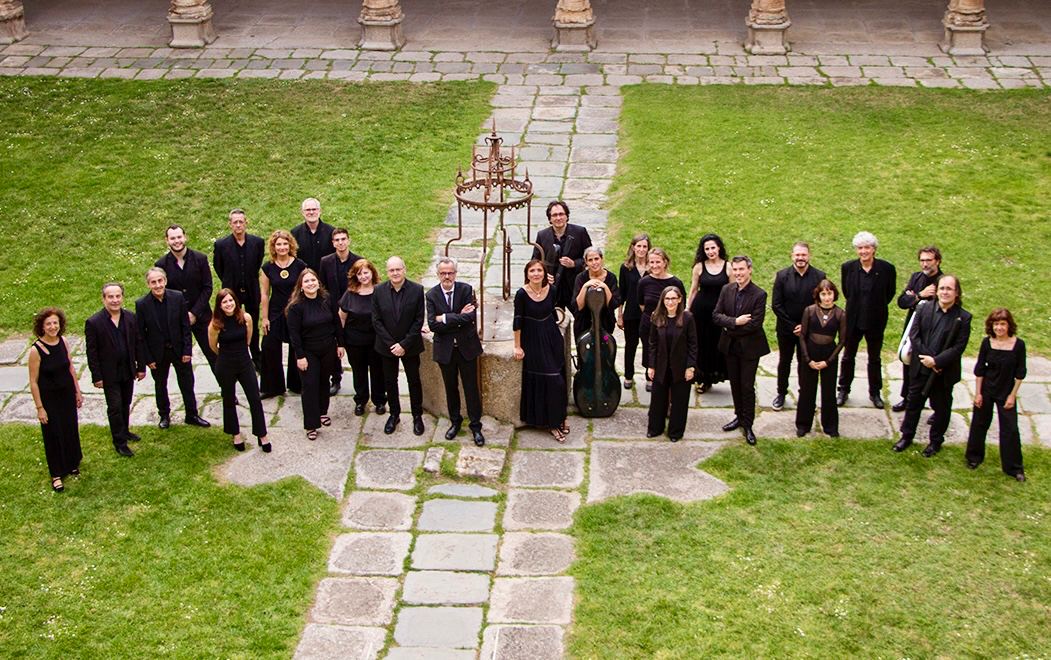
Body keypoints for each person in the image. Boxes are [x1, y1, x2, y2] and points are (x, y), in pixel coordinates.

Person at [893, 275, 971, 458]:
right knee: (913, 404)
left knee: (942, 408)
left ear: (956, 292)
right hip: (921, 367)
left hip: (943, 371)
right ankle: (907, 436)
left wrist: (936, 361)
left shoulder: (963, 317)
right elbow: (914, 336)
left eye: (949, 289)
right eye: (942, 288)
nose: (944, 292)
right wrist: (926, 358)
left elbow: (959, 346)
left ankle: (935, 441)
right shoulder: (923, 309)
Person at [135, 268, 210, 430]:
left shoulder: (177, 297)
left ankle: (192, 414)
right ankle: (164, 415)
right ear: (148, 284)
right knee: (160, 385)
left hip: (178, 349)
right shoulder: (141, 304)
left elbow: (185, 326)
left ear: (165, 281)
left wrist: (187, 351)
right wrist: (148, 359)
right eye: (153, 282)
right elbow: (141, 335)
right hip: (158, 352)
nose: (157, 285)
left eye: (160, 281)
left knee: (187, 382)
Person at [426, 257, 485, 446]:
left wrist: (444, 318)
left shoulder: (466, 290)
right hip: (446, 350)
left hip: (466, 348)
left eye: (450, 273)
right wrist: (457, 317)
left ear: (455, 273)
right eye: (443, 273)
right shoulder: (432, 295)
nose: (447, 276)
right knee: (451, 388)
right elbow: (433, 325)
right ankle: (455, 422)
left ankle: (476, 426)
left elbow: (470, 318)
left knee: (471, 389)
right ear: (438, 275)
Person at [713, 256, 770, 445]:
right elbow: (716, 315)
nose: (738, 273)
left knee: (746, 385)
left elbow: (755, 324)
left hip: (749, 348)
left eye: (741, 269)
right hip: (730, 346)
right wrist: (734, 322)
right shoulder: (726, 290)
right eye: (735, 270)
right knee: (735, 384)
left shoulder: (759, 294)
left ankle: (748, 423)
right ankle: (738, 416)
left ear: (750, 270)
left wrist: (729, 326)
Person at [965, 308, 1027, 481]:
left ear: (1009, 326)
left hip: (1006, 391)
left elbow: (1020, 373)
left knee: (1010, 429)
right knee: (979, 423)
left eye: (1002, 324)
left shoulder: (1018, 345)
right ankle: (974, 458)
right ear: (991, 326)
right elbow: (980, 370)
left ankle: (1014, 468)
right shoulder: (987, 343)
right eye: (996, 324)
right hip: (986, 390)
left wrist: (1012, 396)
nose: (999, 328)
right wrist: (978, 393)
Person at [85, 282, 146, 457]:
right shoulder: (94, 322)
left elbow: (138, 343)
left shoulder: (131, 318)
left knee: (126, 402)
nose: (115, 300)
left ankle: (125, 430)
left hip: (127, 369)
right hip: (108, 373)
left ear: (122, 297)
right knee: (114, 406)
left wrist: (140, 367)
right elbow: (92, 352)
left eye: (118, 296)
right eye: (110, 297)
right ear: (103, 299)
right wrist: (96, 376)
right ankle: (119, 442)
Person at [838, 231, 896, 409]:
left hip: (875, 320)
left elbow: (889, 293)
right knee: (848, 356)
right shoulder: (848, 268)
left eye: (867, 248)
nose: (863, 251)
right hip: (853, 319)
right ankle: (843, 390)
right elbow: (847, 292)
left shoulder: (886, 269)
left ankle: (875, 392)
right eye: (860, 248)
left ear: (874, 249)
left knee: (875, 358)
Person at [28, 308, 83, 492]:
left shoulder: (64, 341)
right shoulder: (36, 350)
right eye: (48, 324)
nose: (53, 327)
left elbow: (70, 368)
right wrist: (40, 407)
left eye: (55, 323)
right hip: (50, 399)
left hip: (67, 394)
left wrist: (77, 391)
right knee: (53, 433)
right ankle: (56, 474)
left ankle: (71, 463)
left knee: (69, 428)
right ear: (42, 327)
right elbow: (33, 382)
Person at [208, 289, 270, 452]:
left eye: (231, 301)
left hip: (244, 362)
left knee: (255, 398)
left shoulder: (246, 318)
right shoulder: (215, 324)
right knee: (228, 399)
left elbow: (248, 340)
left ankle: (262, 434)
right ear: (219, 306)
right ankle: (235, 434)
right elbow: (213, 347)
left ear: (235, 302)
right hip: (225, 364)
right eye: (224, 302)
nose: (228, 304)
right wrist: (226, 355)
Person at [514, 259, 569, 442]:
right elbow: (518, 321)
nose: (536, 274)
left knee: (560, 377)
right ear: (527, 274)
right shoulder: (521, 294)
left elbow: (552, 312)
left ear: (545, 273)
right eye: (532, 271)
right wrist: (517, 345)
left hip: (552, 338)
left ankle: (560, 417)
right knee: (554, 381)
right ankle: (552, 425)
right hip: (533, 340)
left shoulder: (552, 290)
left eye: (539, 270)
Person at [286, 269, 344, 441]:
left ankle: (322, 412)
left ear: (318, 283)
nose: (311, 284)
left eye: (313, 280)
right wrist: (300, 356)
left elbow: (336, 322)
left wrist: (340, 344)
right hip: (308, 350)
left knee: (324, 380)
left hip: (327, 348)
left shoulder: (327, 300)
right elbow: (294, 334)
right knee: (310, 385)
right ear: (301, 286)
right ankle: (311, 424)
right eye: (307, 281)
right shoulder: (296, 307)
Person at [372, 256, 426, 436]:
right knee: (390, 381)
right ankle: (394, 414)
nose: (395, 273)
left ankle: (417, 415)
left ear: (404, 270)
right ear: (387, 272)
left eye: (398, 269)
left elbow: (419, 320)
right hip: (387, 347)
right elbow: (376, 320)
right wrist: (392, 344)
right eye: (391, 270)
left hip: (410, 346)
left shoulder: (417, 290)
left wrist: (404, 344)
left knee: (414, 381)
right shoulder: (378, 291)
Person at [771, 242, 826, 411]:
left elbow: (821, 303)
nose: (800, 258)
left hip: (809, 330)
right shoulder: (782, 276)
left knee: (805, 362)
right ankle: (781, 393)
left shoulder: (819, 276)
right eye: (797, 255)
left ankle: (806, 394)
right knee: (784, 361)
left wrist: (805, 326)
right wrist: (793, 325)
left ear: (809, 256)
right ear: (792, 256)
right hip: (786, 329)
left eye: (803, 254)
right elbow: (776, 304)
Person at [156, 224, 216, 372]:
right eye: (172, 238)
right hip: (177, 319)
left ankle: (227, 391)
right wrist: (183, 314)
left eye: (179, 237)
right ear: (167, 240)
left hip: (202, 315)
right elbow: (164, 292)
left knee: (213, 354)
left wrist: (194, 312)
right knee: (182, 360)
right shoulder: (161, 264)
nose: (177, 241)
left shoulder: (200, 258)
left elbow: (207, 287)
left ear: (185, 237)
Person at [892, 246, 943, 412]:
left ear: (937, 261)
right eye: (922, 260)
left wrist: (912, 297)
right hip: (913, 328)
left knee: (932, 369)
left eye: (929, 260)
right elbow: (902, 302)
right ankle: (907, 399)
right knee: (909, 364)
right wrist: (919, 295)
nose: (925, 264)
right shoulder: (916, 277)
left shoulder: (943, 281)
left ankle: (937, 408)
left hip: (934, 331)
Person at [213, 209, 265, 367]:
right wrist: (230, 281)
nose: (238, 225)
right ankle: (235, 357)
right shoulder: (221, 245)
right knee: (231, 324)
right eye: (234, 222)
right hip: (232, 290)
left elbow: (257, 263)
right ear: (230, 224)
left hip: (251, 289)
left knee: (253, 324)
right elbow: (218, 267)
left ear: (246, 223)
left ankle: (256, 357)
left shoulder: (257, 242)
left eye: (241, 221)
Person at [795, 280, 847, 437]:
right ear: (818, 295)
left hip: (828, 354)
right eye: (823, 294)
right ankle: (803, 424)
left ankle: (830, 426)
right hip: (810, 353)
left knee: (829, 391)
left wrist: (829, 361)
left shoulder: (840, 314)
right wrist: (807, 359)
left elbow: (842, 340)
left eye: (829, 293)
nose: (827, 297)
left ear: (834, 294)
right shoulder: (809, 311)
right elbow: (802, 336)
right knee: (807, 390)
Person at [259, 230, 307, 397]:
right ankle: (272, 387)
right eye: (278, 244)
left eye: (285, 244)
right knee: (269, 346)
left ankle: (296, 384)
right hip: (275, 312)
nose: (282, 247)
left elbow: (305, 288)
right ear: (273, 246)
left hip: (295, 311)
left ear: (290, 245)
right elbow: (265, 294)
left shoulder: (300, 265)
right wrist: (264, 318)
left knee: (296, 347)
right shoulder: (267, 267)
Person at [646, 286, 697, 441]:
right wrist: (651, 365)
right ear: (663, 300)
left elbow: (693, 344)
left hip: (680, 366)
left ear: (680, 299)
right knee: (657, 398)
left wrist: (690, 366)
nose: (670, 302)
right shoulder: (656, 317)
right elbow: (652, 344)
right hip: (661, 365)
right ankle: (655, 428)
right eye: (667, 299)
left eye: (673, 298)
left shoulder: (687, 318)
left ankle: (675, 432)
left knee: (680, 400)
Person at [339, 258, 388, 417]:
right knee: (358, 372)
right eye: (359, 274)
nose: (363, 277)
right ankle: (361, 401)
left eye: (366, 273)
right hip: (355, 342)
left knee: (378, 372)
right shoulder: (350, 293)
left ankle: (379, 401)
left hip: (376, 341)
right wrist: (339, 341)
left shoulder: (381, 291)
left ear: (372, 273)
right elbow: (342, 318)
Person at [318, 227, 362, 395]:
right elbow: (322, 287)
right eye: (337, 240)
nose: (340, 242)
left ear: (348, 240)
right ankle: (335, 378)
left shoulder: (358, 261)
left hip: (353, 311)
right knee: (333, 346)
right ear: (333, 243)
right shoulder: (326, 262)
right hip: (333, 310)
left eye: (343, 239)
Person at [637, 248, 686, 392]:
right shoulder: (644, 282)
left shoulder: (675, 282)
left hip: (670, 327)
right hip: (648, 325)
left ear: (665, 262)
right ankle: (651, 378)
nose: (654, 265)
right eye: (651, 262)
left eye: (658, 262)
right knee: (650, 352)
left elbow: (682, 305)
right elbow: (641, 304)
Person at [687, 234, 729, 394]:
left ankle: (715, 375)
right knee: (701, 345)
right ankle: (702, 378)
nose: (710, 251)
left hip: (719, 312)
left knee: (717, 344)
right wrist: (687, 310)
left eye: (713, 247)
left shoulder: (729, 267)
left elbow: (733, 291)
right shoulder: (699, 267)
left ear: (719, 247)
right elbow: (693, 290)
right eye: (707, 249)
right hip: (701, 312)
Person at [531, 200, 592, 310]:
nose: (558, 218)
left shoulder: (580, 232)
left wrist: (574, 263)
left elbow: (591, 257)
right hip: (553, 286)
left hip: (574, 284)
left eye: (561, 214)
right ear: (550, 219)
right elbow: (535, 261)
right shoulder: (542, 235)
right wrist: (544, 274)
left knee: (581, 318)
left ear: (567, 216)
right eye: (554, 215)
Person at [617, 233, 649, 389]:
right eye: (639, 246)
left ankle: (650, 377)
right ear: (633, 247)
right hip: (631, 313)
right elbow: (621, 293)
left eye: (644, 246)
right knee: (631, 345)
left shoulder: (653, 266)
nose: (641, 249)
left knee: (649, 346)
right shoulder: (626, 268)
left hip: (649, 314)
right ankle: (628, 376)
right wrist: (620, 315)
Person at [571, 247, 620, 340]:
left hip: (605, 323)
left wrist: (604, 287)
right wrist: (585, 286)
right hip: (584, 324)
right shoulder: (580, 278)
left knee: (605, 351)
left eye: (596, 259)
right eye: (590, 260)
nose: (594, 263)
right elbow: (577, 306)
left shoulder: (611, 277)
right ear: (586, 262)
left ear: (602, 259)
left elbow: (614, 303)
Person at [290, 197, 335, 273]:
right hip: (303, 278)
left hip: (326, 275)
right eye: (308, 210)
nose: (311, 212)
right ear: (302, 212)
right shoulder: (295, 233)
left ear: (320, 211)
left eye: (314, 209)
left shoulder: (331, 232)